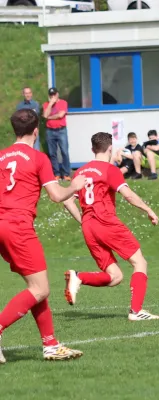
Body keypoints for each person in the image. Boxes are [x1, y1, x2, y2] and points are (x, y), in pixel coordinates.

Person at [0, 109, 86, 363]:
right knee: (40, 288)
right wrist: (74, 186)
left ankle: (50, 344)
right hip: (18, 227)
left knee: (36, 287)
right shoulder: (38, 158)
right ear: (36, 131)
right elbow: (57, 195)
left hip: (2, 225)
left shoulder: (2, 156)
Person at [62, 132, 159, 321]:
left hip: (89, 227)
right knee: (140, 262)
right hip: (106, 222)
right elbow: (129, 195)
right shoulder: (110, 170)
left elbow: (67, 202)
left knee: (114, 276)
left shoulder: (80, 172)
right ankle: (136, 311)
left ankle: (79, 276)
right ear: (110, 149)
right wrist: (148, 210)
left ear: (92, 149)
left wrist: (84, 221)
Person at [42, 87, 70, 181]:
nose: (53, 96)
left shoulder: (63, 103)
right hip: (50, 131)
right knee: (52, 153)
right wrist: (50, 104)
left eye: (54, 94)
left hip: (61, 130)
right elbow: (45, 115)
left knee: (64, 152)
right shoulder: (46, 104)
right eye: (51, 95)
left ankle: (66, 174)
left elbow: (61, 115)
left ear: (57, 94)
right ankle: (56, 173)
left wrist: (49, 117)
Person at [15, 87, 41, 151]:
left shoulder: (36, 104)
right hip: (24, 132)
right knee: (25, 151)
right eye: (26, 93)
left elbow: (35, 117)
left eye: (29, 93)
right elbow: (18, 119)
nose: (28, 95)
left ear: (31, 94)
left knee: (36, 150)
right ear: (23, 94)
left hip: (33, 132)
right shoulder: (19, 106)